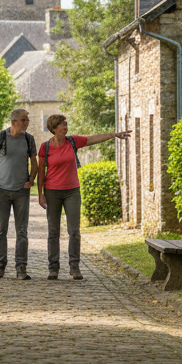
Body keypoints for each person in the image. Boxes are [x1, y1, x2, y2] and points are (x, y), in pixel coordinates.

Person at [37, 114, 130, 280]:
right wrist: (40, 194)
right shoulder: (46, 147)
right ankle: (53, 268)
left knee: (74, 231)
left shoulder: (72, 141)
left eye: (66, 124)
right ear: (54, 128)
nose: (65, 128)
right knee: (53, 231)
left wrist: (114, 135)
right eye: (62, 125)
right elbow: (41, 172)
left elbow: (92, 139)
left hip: (72, 191)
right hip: (52, 192)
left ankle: (74, 267)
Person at [0, 109, 38, 280]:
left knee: (22, 231)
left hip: (22, 191)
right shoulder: (0, 137)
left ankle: (21, 268)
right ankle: (0, 266)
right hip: (1, 190)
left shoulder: (29, 139)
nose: (27, 122)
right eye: (23, 120)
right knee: (1, 230)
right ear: (14, 121)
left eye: (27, 120)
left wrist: (31, 180)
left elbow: (34, 163)